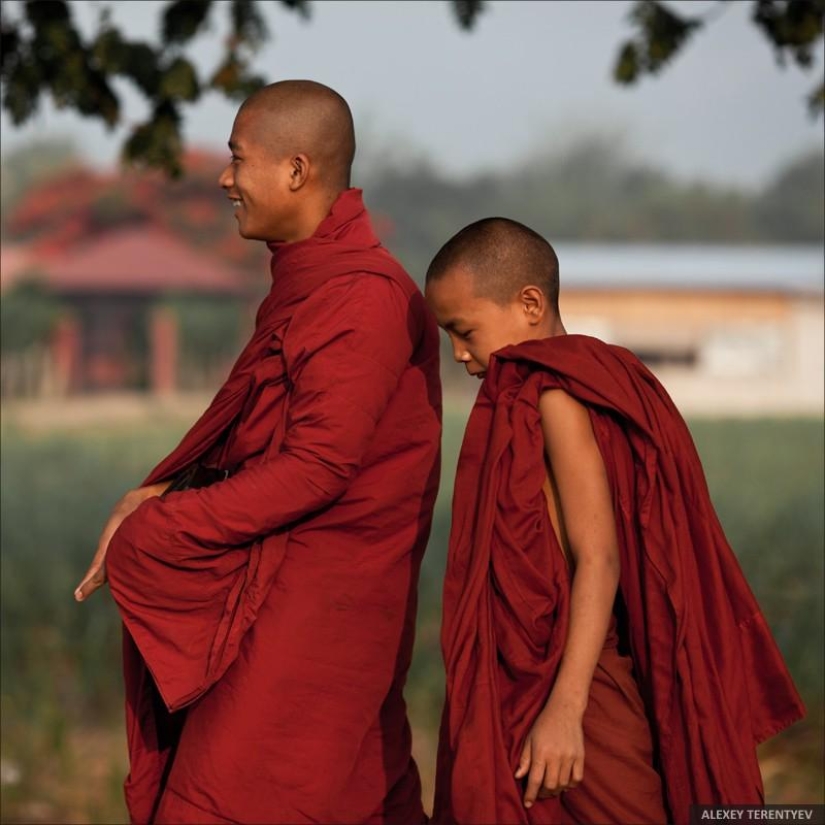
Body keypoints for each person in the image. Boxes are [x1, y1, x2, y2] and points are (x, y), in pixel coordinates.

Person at [74, 80, 442, 825]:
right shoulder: (314, 283)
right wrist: (161, 495)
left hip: (317, 608)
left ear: (297, 171)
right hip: (282, 592)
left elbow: (319, 465)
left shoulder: (363, 298)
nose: (224, 178)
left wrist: (160, 529)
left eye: (239, 159)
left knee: (250, 791)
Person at [424, 217, 804, 825]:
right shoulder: (566, 385)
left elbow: (599, 557)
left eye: (463, 331)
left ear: (529, 304)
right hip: (539, 672)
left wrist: (566, 711)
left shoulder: (554, 397)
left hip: (577, 679)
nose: (459, 354)